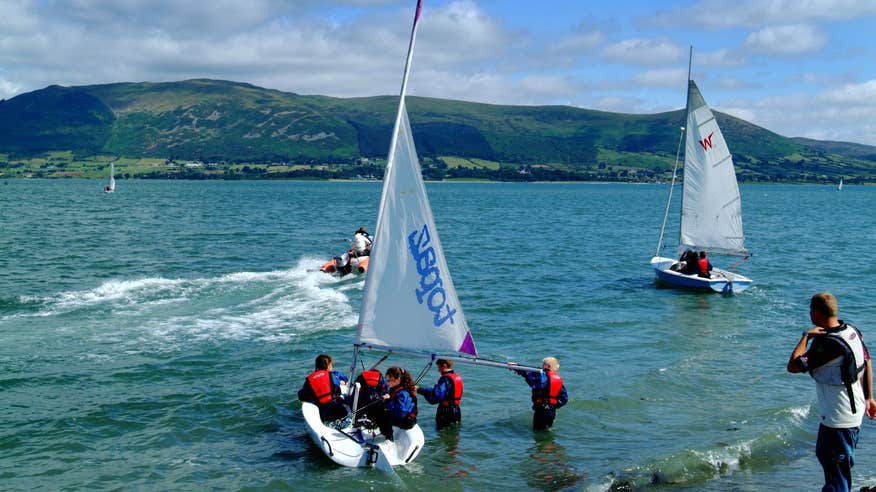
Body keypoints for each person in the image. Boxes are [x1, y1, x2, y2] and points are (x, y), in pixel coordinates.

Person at [787, 292, 876, 492]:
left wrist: (806, 337)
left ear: (815, 313)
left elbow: (793, 366)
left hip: (839, 418)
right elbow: (867, 362)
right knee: (831, 460)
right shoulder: (852, 331)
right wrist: (870, 397)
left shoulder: (829, 344)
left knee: (835, 472)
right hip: (852, 412)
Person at [514, 357, 568, 431]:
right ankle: (550, 442)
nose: (541, 367)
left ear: (548, 366)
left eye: (543, 365)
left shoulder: (541, 378)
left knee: (537, 431)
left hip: (541, 410)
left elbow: (528, 375)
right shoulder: (558, 380)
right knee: (547, 429)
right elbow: (564, 399)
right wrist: (553, 405)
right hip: (551, 411)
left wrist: (516, 367)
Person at [298, 354, 350, 422]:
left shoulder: (309, 379)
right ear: (328, 366)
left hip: (322, 412)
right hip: (337, 408)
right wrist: (343, 382)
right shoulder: (333, 375)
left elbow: (301, 396)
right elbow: (341, 383)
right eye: (331, 364)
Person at [417, 359, 463, 429]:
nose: (438, 370)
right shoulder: (456, 377)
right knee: (454, 432)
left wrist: (419, 390)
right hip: (456, 410)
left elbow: (435, 397)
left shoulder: (445, 379)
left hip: (445, 411)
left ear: (444, 366)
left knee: (441, 431)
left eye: (439, 367)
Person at [378, 366, 418, 441]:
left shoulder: (403, 393)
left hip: (407, 421)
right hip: (405, 417)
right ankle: (385, 432)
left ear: (398, 380)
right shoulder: (397, 388)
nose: (388, 382)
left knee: (382, 415)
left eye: (390, 380)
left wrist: (388, 400)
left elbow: (400, 413)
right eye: (387, 380)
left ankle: (389, 439)